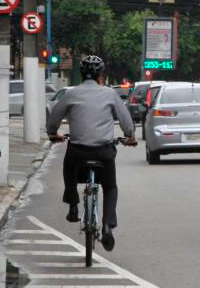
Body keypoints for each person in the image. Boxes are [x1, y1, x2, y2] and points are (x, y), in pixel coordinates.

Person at [47, 55, 136, 251]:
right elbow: (126, 120)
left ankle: (72, 204)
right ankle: (107, 224)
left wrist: (53, 134)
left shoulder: (70, 94)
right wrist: (130, 136)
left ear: (81, 74)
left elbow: (54, 117)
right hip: (104, 152)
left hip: (77, 151)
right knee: (110, 186)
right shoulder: (109, 94)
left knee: (69, 169)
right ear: (100, 75)